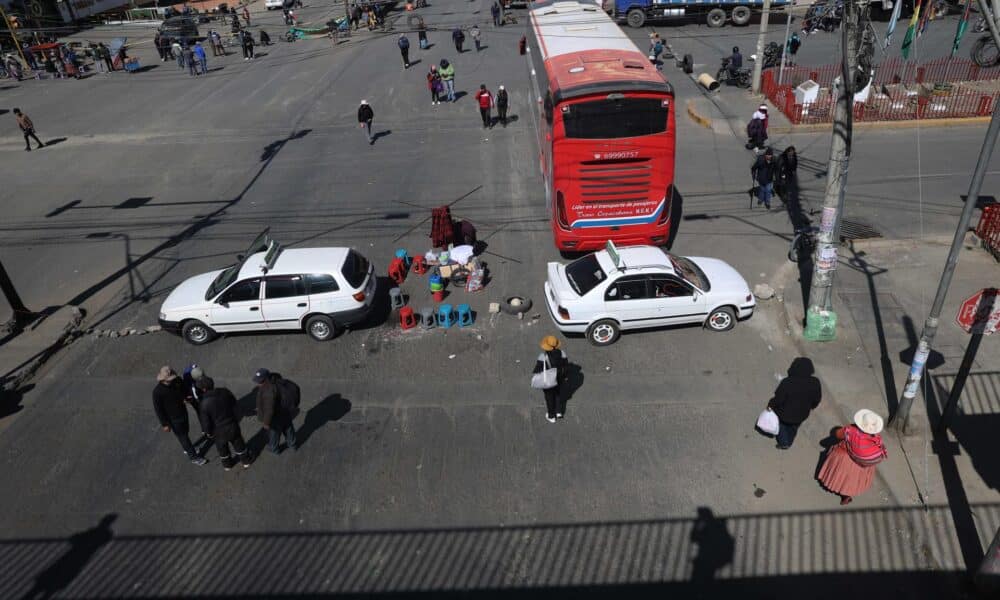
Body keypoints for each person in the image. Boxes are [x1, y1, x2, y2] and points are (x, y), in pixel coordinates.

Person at [818, 409, 888, 505]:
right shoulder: (875, 437)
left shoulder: (850, 430)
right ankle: (846, 497)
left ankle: (836, 487)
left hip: (844, 457)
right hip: (861, 464)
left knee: (840, 476)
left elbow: (837, 434)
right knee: (852, 480)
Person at [153, 366, 208, 465]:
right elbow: (159, 410)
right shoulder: (157, 392)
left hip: (183, 412)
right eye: (170, 379)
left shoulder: (177, 380)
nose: (173, 380)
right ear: (163, 379)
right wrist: (164, 424)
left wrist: (186, 397)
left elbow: (184, 390)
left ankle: (187, 448)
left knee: (186, 432)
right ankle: (194, 457)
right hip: (173, 419)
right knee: (183, 436)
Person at [197, 377, 252, 471]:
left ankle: (228, 465)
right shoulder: (224, 392)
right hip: (231, 424)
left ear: (204, 389)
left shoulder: (204, 403)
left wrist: (208, 433)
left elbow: (206, 422)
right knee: (238, 443)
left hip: (218, 431)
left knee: (222, 449)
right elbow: (234, 403)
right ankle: (246, 461)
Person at [766, 358, 821, 449]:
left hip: (784, 415)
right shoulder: (815, 382)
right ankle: (789, 438)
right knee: (793, 428)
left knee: (782, 427)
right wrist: (811, 407)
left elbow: (778, 399)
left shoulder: (787, 382)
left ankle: (784, 442)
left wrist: (770, 405)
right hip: (802, 414)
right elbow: (817, 399)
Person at [253, 368, 299, 454]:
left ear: (266, 379)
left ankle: (274, 449)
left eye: (261, 381)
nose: (258, 383)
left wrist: (266, 423)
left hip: (276, 416)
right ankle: (293, 445)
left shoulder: (268, 391)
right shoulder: (277, 380)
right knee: (289, 428)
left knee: (274, 433)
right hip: (285, 411)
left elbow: (269, 410)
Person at [533, 336, 568, 423]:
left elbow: (538, 369)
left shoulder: (543, 356)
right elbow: (566, 366)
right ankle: (559, 411)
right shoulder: (562, 353)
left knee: (549, 398)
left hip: (548, 380)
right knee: (558, 394)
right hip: (559, 378)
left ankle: (551, 416)